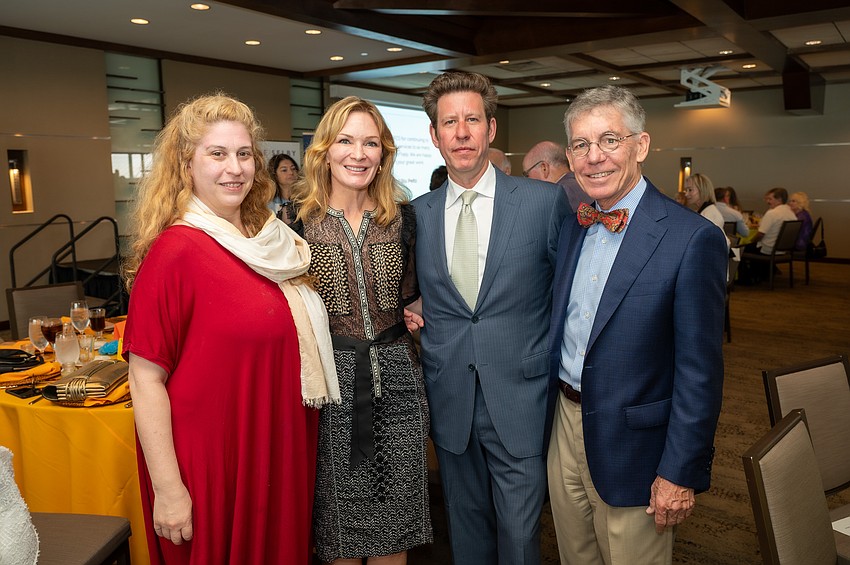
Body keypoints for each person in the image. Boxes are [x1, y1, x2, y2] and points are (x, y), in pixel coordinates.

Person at [122, 93, 338, 564]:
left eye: (243, 154)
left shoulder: (270, 243)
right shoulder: (176, 252)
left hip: (276, 451)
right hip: (214, 467)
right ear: (187, 165)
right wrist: (170, 489)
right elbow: (145, 378)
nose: (233, 168)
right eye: (216, 154)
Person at [547, 85, 727, 565]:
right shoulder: (574, 223)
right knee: (574, 554)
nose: (594, 157)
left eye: (609, 140)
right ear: (569, 155)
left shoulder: (692, 240)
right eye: (581, 146)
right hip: (564, 424)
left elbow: (700, 372)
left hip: (637, 444)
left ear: (641, 146)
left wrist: (679, 472)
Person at [411, 71, 569, 564]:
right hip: (450, 394)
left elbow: (569, 296)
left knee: (521, 539)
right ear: (434, 136)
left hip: (520, 396)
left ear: (491, 130)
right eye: (449, 122)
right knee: (465, 528)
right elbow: (406, 291)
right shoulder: (416, 214)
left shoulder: (545, 203)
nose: (461, 133)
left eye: (472, 120)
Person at [291, 96, 432, 565]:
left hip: (400, 385)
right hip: (333, 389)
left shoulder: (404, 219)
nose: (359, 153)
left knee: (395, 531)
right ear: (325, 151)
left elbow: (413, 294)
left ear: (384, 153)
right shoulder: (295, 227)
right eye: (346, 140)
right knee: (341, 531)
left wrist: (422, 310)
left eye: (370, 142)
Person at [738, 187, 797, 283]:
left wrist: (751, 241)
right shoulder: (791, 213)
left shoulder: (772, 213)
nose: (767, 201)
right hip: (783, 249)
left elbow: (760, 234)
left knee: (740, 248)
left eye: (770, 199)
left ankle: (746, 278)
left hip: (768, 249)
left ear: (779, 200)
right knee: (750, 246)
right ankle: (764, 273)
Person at [522, 140, 593, 212]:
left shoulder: (560, 194)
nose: (525, 180)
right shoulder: (582, 184)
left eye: (527, 174)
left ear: (544, 168)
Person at [683, 173, 728, 246]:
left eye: (690, 190)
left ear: (702, 190)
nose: (686, 194)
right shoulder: (702, 211)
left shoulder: (711, 215)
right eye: (686, 190)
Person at [268, 153, 299, 223]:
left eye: (293, 169)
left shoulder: (305, 199)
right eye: (284, 170)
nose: (291, 172)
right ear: (274, 174)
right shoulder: (268, 203)